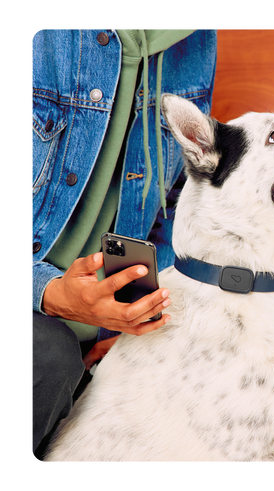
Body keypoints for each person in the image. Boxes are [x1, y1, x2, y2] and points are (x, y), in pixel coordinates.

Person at [30, 26, 217, 461]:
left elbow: (176, 195)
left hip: (96, 328)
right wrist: (50, 293)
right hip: (47, 329)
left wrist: (136, 315)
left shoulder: (193, 38)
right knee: (47, 356)